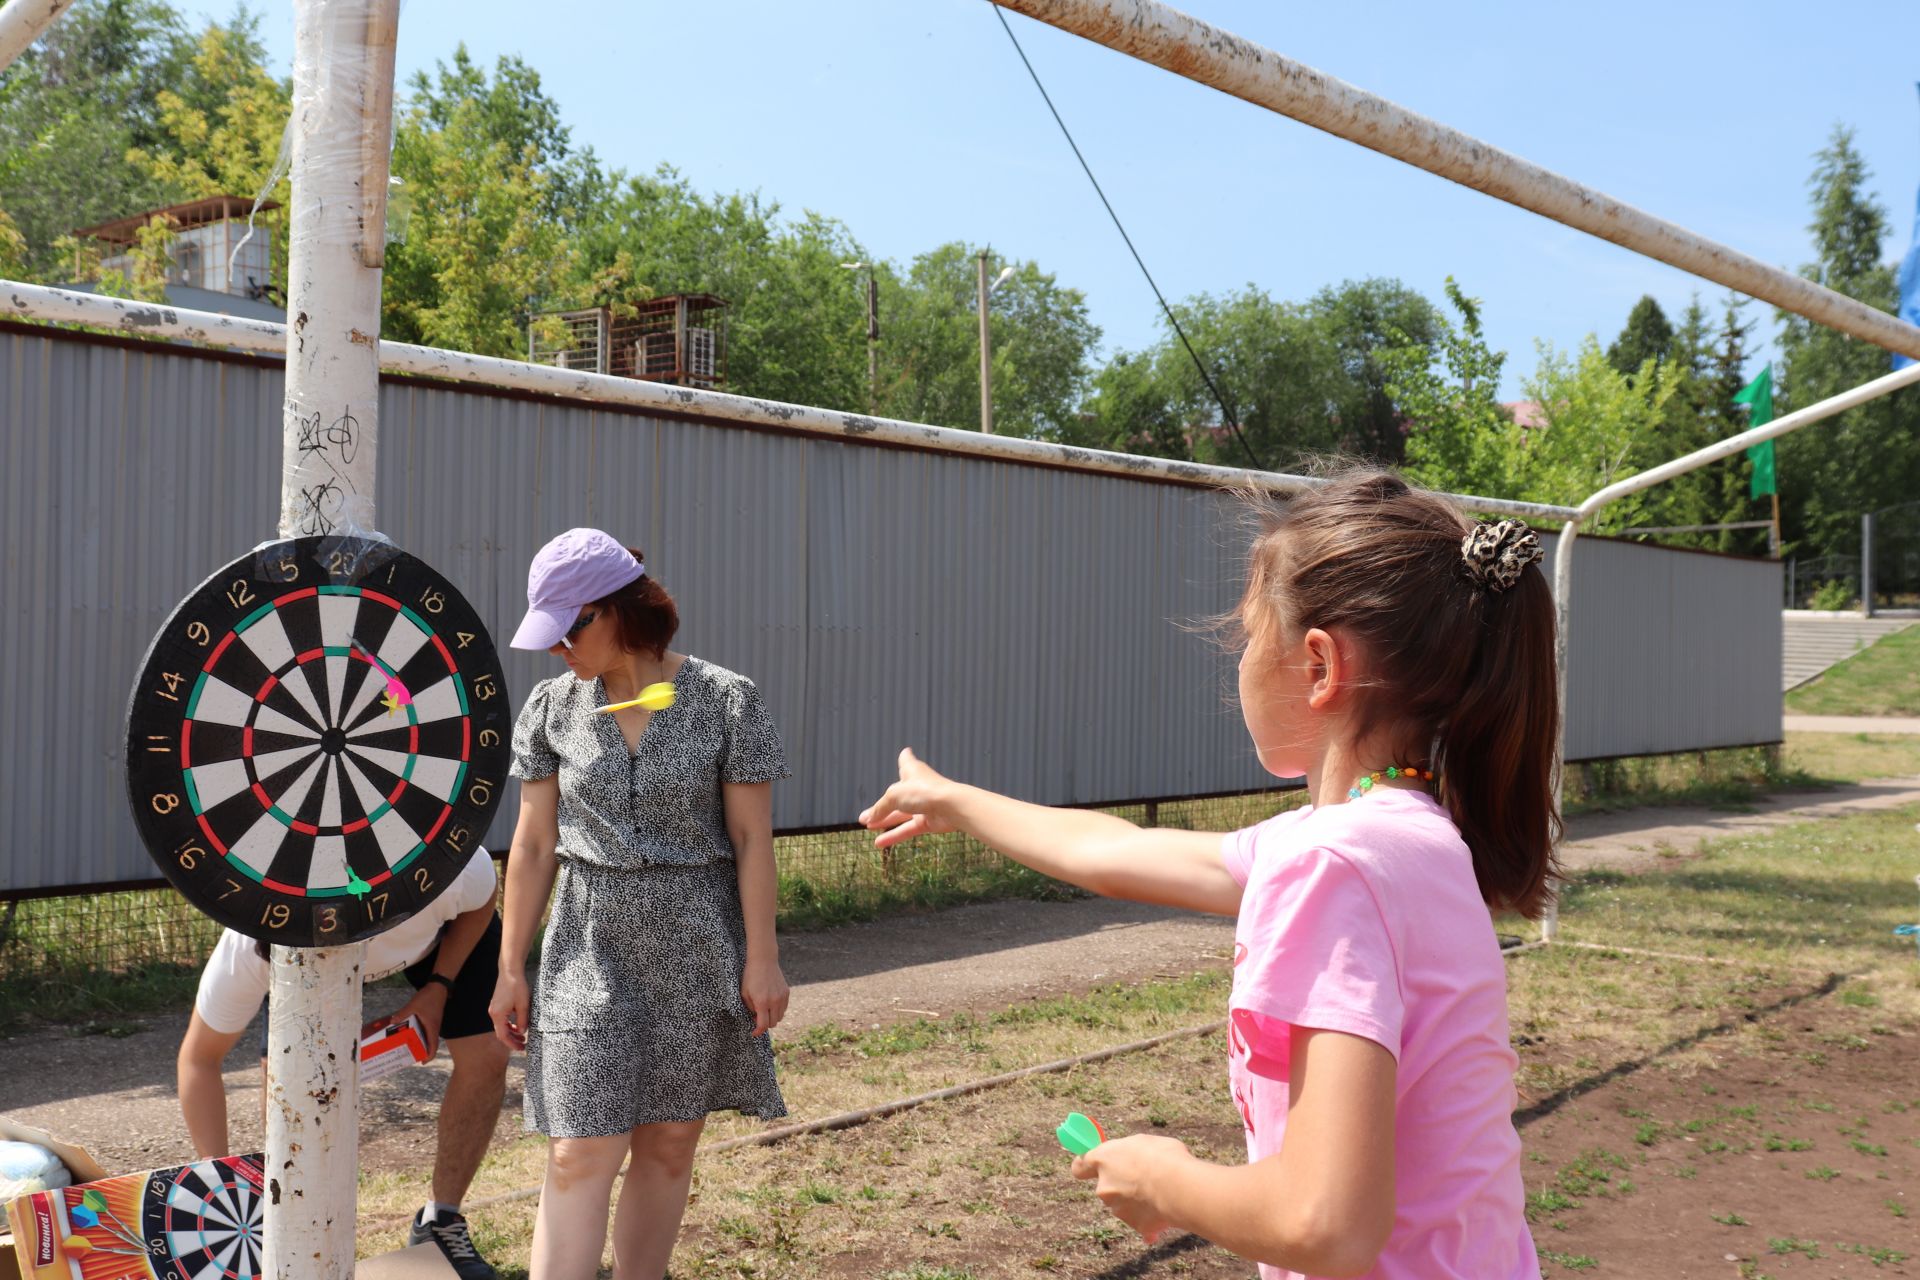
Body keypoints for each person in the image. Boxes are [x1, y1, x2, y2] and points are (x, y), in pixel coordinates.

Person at [859, 467, 1559, 1280]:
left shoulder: (1329, 864)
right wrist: (957, 801)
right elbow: (1119, 853)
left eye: (1248, 633)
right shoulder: (1410, 838)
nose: (1239, 659)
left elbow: (1325, 1224)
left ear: (1320, 667)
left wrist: (1166, 1181)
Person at [489, 528, 790, 1280]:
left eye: (569, 628)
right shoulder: (551, 707)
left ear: (619, 610)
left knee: (668, 1143)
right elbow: (530, 848)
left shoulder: (728, 699)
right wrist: (509, 967)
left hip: (696, 942)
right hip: (586, 945)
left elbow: (753, 840)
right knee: (578, 1149)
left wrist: (763, 958)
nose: (559, 649)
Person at [176, 846, 510, 1280]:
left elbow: (484, 894)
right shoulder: (255, 943)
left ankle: (441, 1222)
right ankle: (287, 1229)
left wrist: (438, 987)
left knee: (487, 1053)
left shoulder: (446, 870)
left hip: (437, 938)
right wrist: (223, 1197)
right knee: (286, 1089)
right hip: (299, 964)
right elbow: (199, 1059)